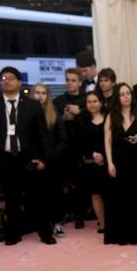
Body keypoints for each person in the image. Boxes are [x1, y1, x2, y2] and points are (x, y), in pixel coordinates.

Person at [0, 67, 52, 245]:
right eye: (3, 78)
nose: (6, 81)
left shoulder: (32, 105)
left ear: (19, 82)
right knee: (10, 199)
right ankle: (13, 234)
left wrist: (44, 159)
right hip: (5, 159)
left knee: (36, 198)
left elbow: (42, 135)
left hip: (28, 159)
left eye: (11, 78)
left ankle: (45, 234)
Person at [104, 83, 137, 245]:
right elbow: (107, 141)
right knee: (121, 200)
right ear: (117, 98)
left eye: (128, 93)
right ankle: (122, 235)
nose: (126, 97)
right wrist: (110, 163)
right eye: (122, 94)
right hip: (119, 162)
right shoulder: (111, 117)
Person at [30, 83, 66, 244]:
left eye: (44, 93)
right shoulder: (27, 114)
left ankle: (55, 223)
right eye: (37, 92)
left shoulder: (54, 113)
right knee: (38, 198)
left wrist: (50, 158)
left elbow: (62, 138)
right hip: (35, 163)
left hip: (53, 163)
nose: (40, 96)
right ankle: (42, 228)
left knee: (54, 195)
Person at [52, 67, 86, 234]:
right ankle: (64, 214)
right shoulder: (58, 101)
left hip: (82, 147)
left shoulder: (88, 100)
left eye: (73, 80)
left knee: (80, 182)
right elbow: (53, 123)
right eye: (68, 80)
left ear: (80, 82)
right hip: (64, 148)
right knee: (63, 182)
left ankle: (80, 215)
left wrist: (79, 113)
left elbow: (91, 120)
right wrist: (64, 119)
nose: (70, 83)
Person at [78, 91, 108, 233]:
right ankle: (102, 224)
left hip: (109, 161)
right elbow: (80, 143)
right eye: (89, 102)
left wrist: (104, 156)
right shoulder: (81, 120)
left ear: (101, 103)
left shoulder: (109, 118)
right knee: (96, 194)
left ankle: (113, 221)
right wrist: (93, 154)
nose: (92, 104)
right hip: (91, 163)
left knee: (110, 193)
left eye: (95, 101)